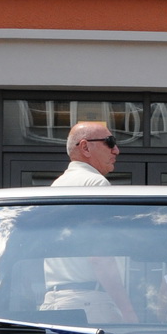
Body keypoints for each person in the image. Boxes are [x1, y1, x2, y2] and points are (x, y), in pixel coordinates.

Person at [43, 122, 136, 321]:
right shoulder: (96, 184)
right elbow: (100, 256)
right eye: (110, 142)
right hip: (90, 303)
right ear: (85, 147)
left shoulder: (56, 186)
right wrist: (127, 310)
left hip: (55, 300)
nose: (116, 150)